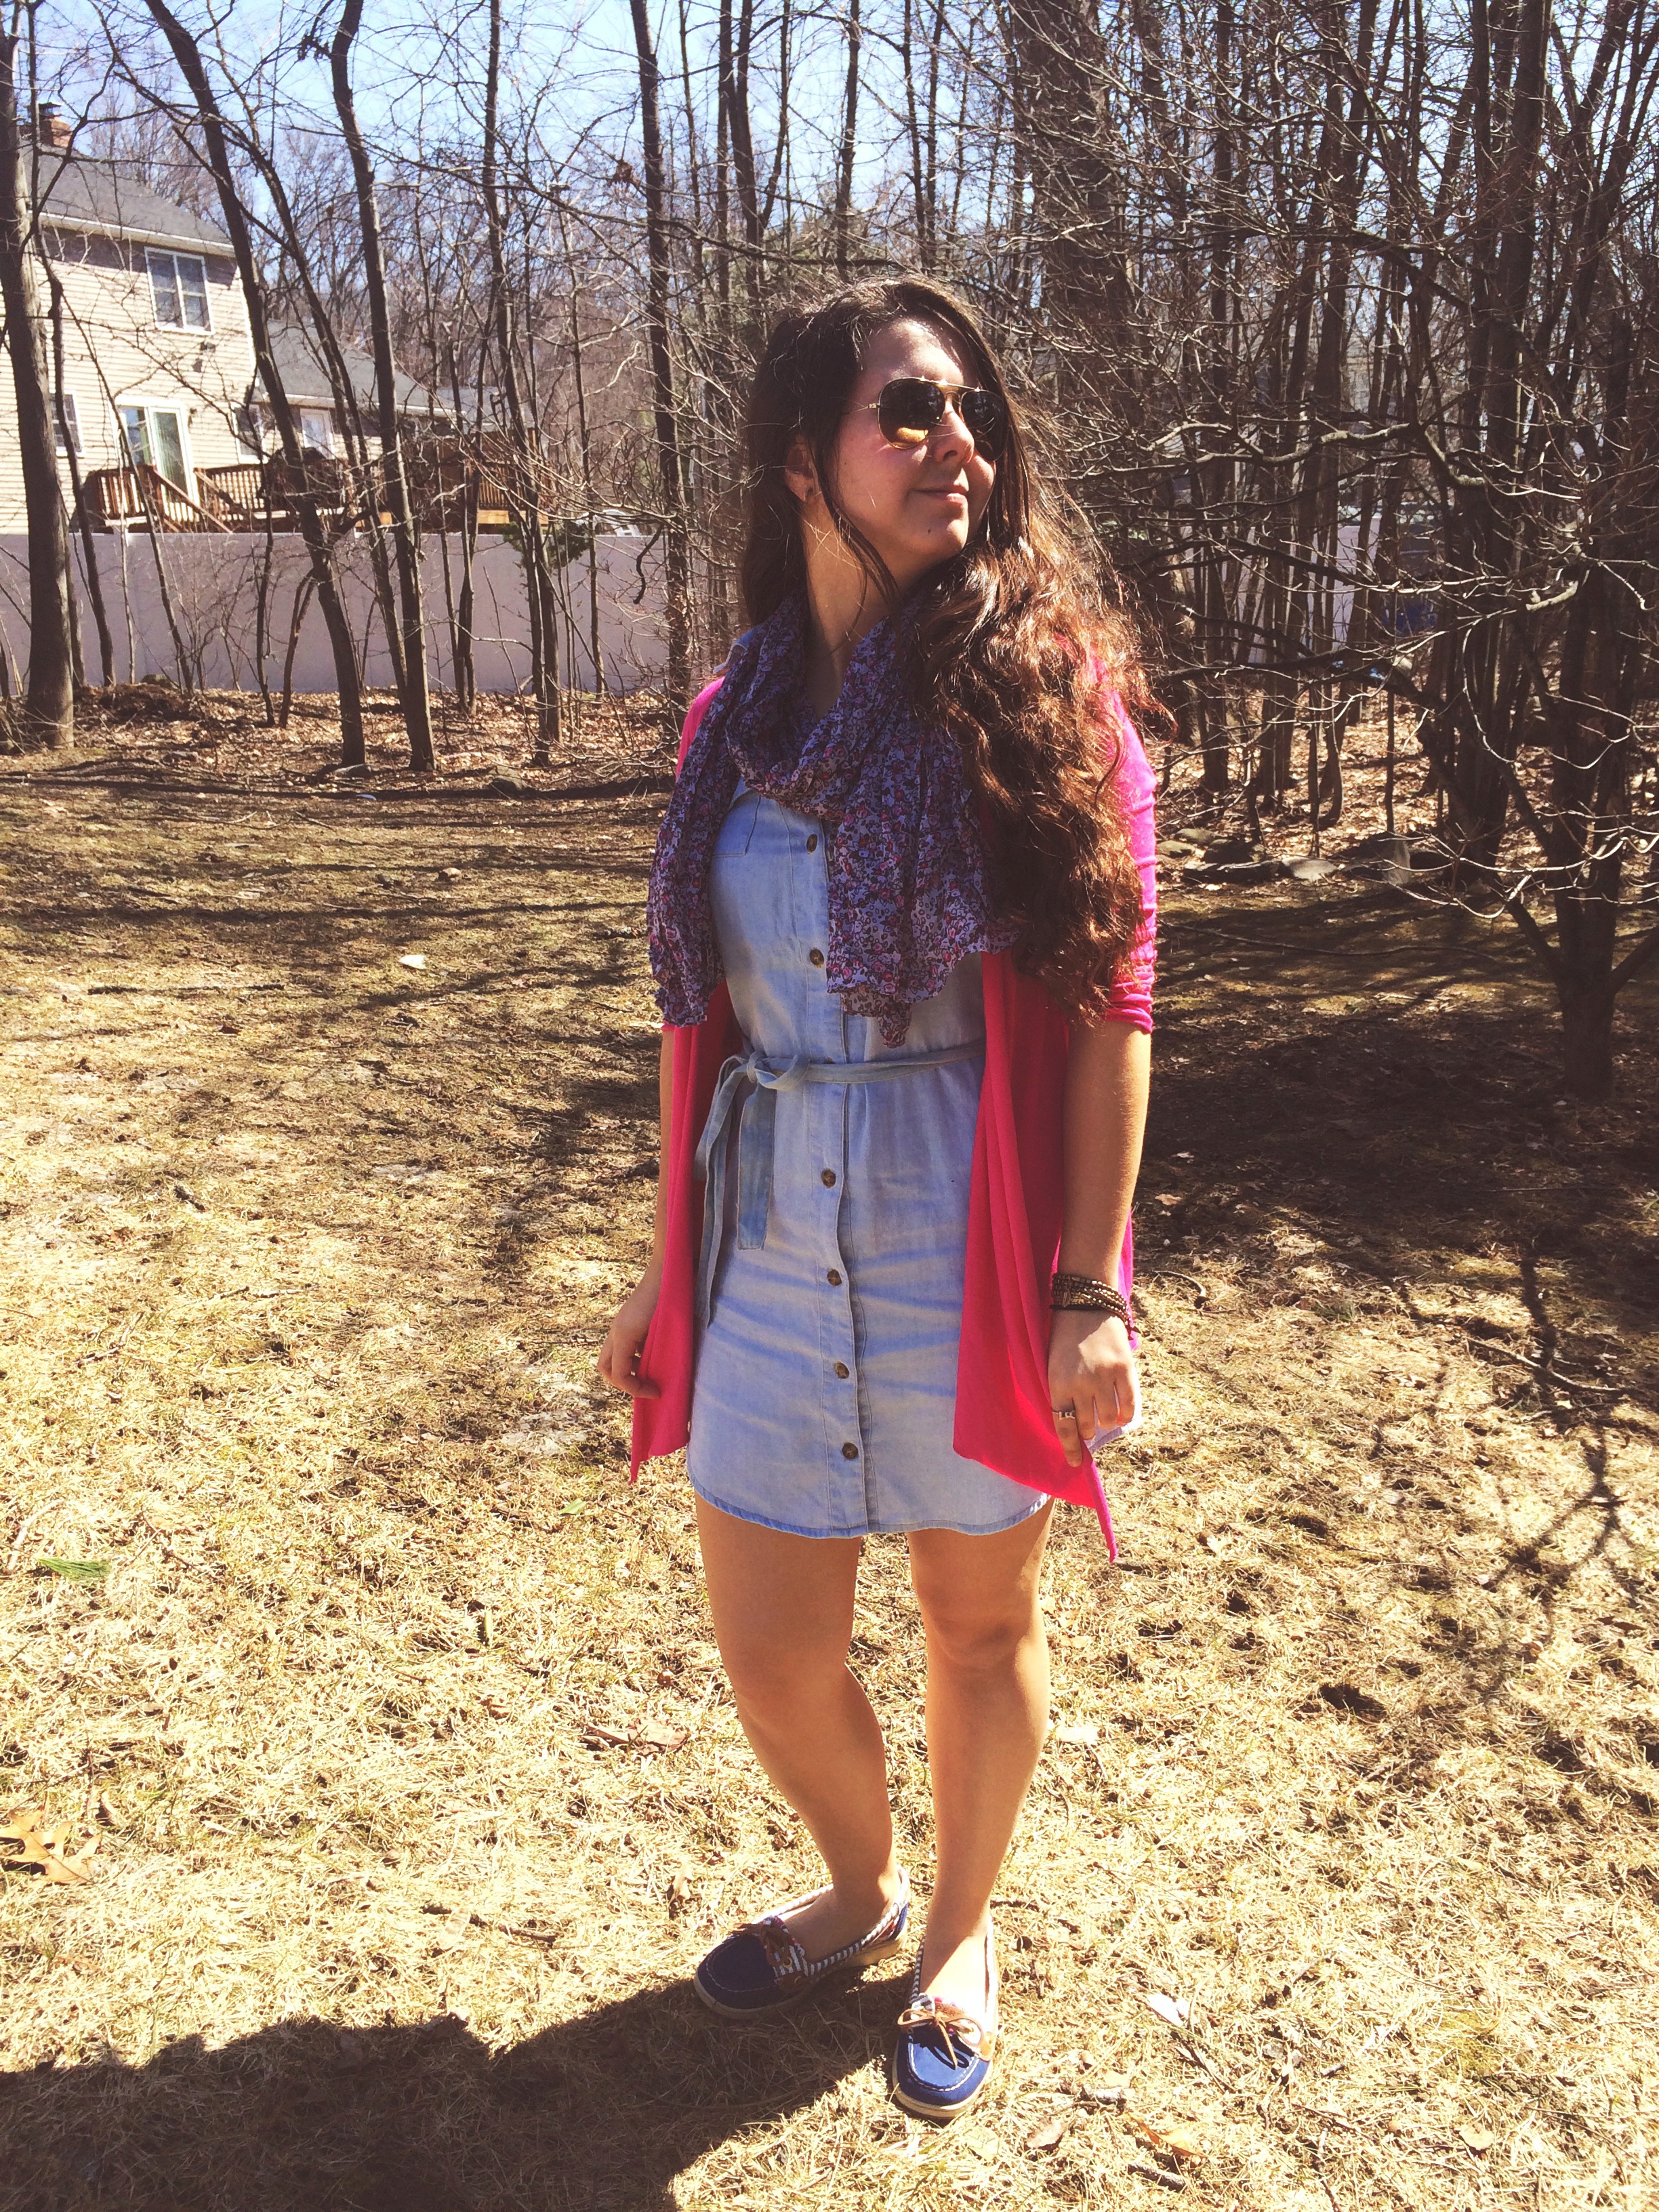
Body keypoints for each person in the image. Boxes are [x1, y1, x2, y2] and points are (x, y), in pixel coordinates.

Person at [598, 276, 1156, 2121]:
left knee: (977, 1627)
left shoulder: (1043, 703)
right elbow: (701, 1012)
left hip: (960, 1224)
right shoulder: (731, 720)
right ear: (801, 461)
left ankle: (960, 1937)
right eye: (907, 411)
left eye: (970, 410)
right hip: (765, 1228)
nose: (955, 445)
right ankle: (859, 1887)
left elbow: (1113, 1007)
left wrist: (1089, 1290)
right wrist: (662, 1264)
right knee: (771, 1653)